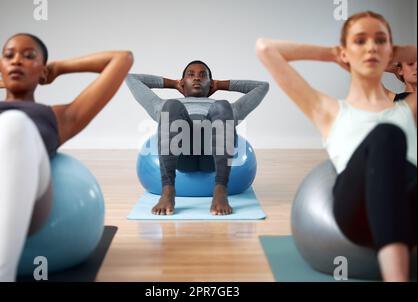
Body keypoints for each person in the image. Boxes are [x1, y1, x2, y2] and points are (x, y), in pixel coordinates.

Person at [256, 11, 416, 281]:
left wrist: (394, 51)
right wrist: (333, 53)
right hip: (355, 213)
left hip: (408, 203)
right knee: (387, 135)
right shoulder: (326, 109)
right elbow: (266, 49)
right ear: (344, 52)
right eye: (360, 41)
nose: (371, 48)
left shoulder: (409, 107)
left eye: (379, 41)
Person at [0, 33, 133, 282]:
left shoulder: (60, 116)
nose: (16, 61)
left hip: (25, 194)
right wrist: (1, 63)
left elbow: (122, 59)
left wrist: (57, 68)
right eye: (9, 55)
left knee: (11, 123)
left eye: (28, 56)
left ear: (42, 69)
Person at [126, 62, 269, 216]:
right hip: (181, 156)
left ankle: (220, 190)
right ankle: (168, 190)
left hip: (213, 158)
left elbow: (262, 86)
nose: (196, 79)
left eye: (203, 75)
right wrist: (173, 84)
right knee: (171, 105)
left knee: (222, 105)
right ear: (182, 82)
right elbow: (131, 78)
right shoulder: (161, 105)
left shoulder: (227, 109)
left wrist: (220, 84)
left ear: (210, 84)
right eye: (190, 74)